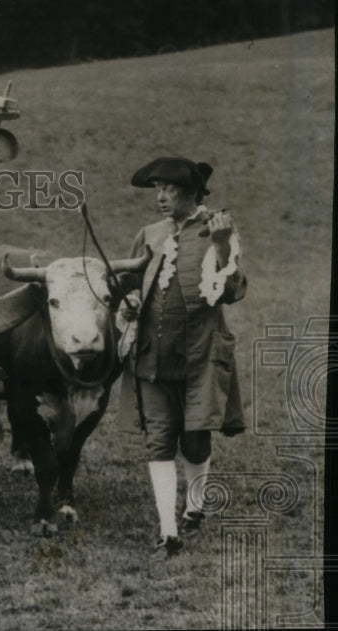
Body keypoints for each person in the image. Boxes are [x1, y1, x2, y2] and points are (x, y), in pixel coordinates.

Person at [116, 157, 246, 558]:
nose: (159, 197)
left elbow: (233, 291)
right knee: (157, 441)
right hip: (153, 356)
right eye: (156, 189)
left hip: (201, 354)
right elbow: (129, 284)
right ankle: (168, 533)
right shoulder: (150, 234)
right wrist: (131, 300)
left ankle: (195, 505)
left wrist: (223, 246)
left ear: (191, 193)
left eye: (168, 189)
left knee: (195, 437)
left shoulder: (218, 231)